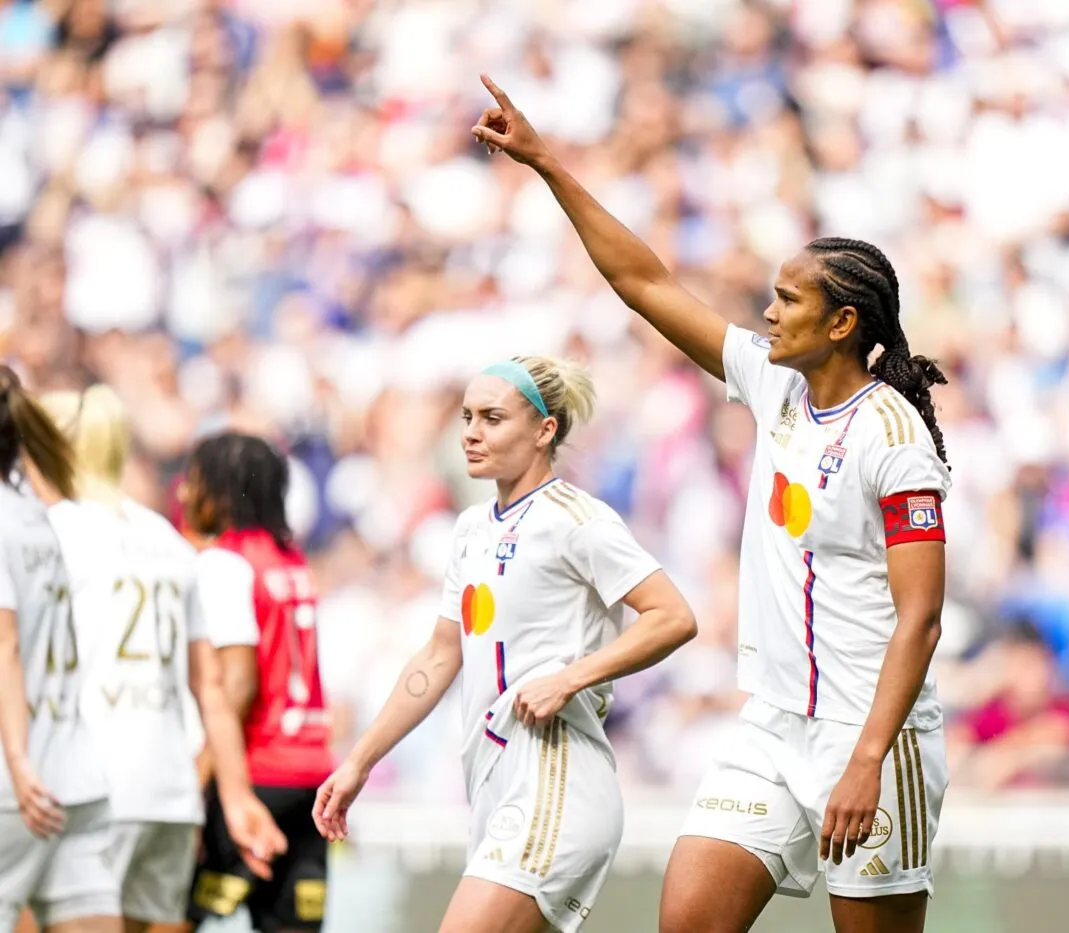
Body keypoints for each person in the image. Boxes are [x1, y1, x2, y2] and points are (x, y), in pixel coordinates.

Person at [472, 77, 952, 933]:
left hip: (871, 735)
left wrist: (869, 756)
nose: (768, 312)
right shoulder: (774, 382)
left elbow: (920, 617)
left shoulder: (895, 437)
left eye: (789, 300)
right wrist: (547, 164)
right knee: (688, 919)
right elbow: (642, 282)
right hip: (772, 724)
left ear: (842, 324)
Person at [312, 355, 698, 933]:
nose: (471, 432)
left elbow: (672, 616)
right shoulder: (472, 529)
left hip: (555, 780)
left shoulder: (576, 519)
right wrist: (359, 761)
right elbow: (439, 655)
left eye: (492, 418)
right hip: (495, 787)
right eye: (467, 417)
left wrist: (569, 678)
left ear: (545, 430)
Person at [35, 386, 288, 933]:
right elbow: (210, 685)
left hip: (89, 787)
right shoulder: (168, 540)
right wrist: (235, 794)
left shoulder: (52, 532)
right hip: (168, 794)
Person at [178, 431, 335, 933]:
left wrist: (202, 778)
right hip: (309, 776)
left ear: (220, 490)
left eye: (193, 480)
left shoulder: (224, 562)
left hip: (253, 770)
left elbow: (238, 683)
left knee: (167, 919)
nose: (183, 492)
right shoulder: (291, 561)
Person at [0, 365, 120, 933]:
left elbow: (5, 643)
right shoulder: (35, 518)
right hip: (77, 778)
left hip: (15, 783)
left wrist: (18, 761)